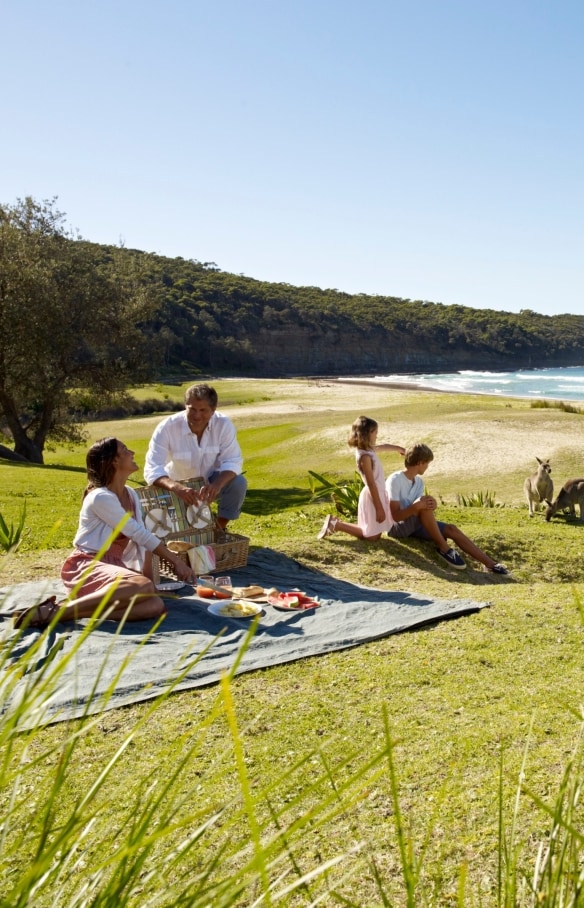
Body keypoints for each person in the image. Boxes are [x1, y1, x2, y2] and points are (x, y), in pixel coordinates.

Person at [13, 438, 194, 629]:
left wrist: (152, 586)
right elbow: (139, 533)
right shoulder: (100, 497)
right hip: (87, 566)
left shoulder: (130, 494)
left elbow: (143, 542)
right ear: (114, 461)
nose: (132, 453)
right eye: (125, 450)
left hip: (115, 570)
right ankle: (57, 612)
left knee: (155, 604)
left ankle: (72, 611)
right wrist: (176, 562)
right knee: (141, 586)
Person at [386, 443, 509, 573]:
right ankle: (444, 549)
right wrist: (417, 507)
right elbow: (395, 516)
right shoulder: (395, 480)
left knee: (451, 529)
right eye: (427, 463)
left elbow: (421, 508)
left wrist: (432, 505)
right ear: (420, 463)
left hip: (415, 524)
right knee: (424, 506)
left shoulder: (419, 482)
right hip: (397, 528)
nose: (427, 467)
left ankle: (491, 564)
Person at [144, 383, 247, 531]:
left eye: (203, 410)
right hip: (176, 486)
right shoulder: (166, 427)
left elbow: (233, 461)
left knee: (238, 482)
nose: (197, 415)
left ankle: (218, 529)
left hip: (211, 481)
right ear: (185, 405)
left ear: (213, 409)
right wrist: (176, 487)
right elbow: (152, 467)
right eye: (192, 409)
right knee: (180, 532)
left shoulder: (223, 424)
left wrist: (216, 486)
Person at [317, 416, 405, 541]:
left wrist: (398, 449)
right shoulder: (365, 457)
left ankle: (336, 523)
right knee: (372, 537)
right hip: (372, 495)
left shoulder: (368, 449)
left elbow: (382, 447)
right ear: (366, 434)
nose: (376, 436)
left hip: (377, 493)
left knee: (375, 532)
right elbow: (371, 484)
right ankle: (337, 525)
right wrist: (379, 507)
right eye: (375, 433)